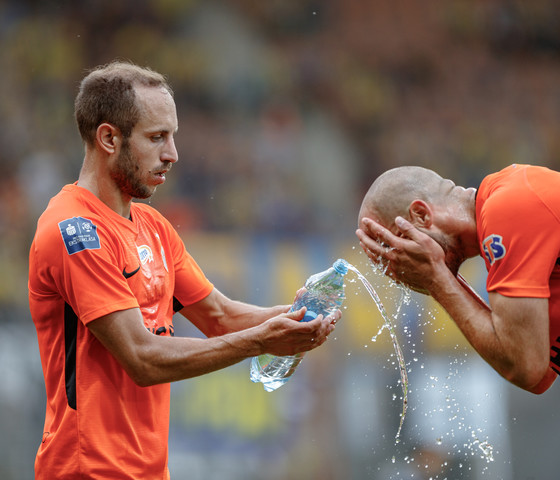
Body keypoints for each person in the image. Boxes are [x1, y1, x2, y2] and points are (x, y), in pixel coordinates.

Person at [28, 61, 338, 480]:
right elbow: (142, 358)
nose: (173, 153)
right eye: (157, 138)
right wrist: (260, 341)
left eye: (172, 136)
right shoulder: (75, 231)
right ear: (108, 138)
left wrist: (296, 317)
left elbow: (220, 316)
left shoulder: (153, 227)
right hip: (87, 471)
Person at [356, 164, 560, 395]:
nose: (401, 267)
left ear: (421, 215)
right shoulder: (502, 215)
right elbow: (540, 374)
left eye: (396, 245)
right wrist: (440, 279)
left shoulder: (506, 208)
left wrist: (437, 280)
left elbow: (525, 366)